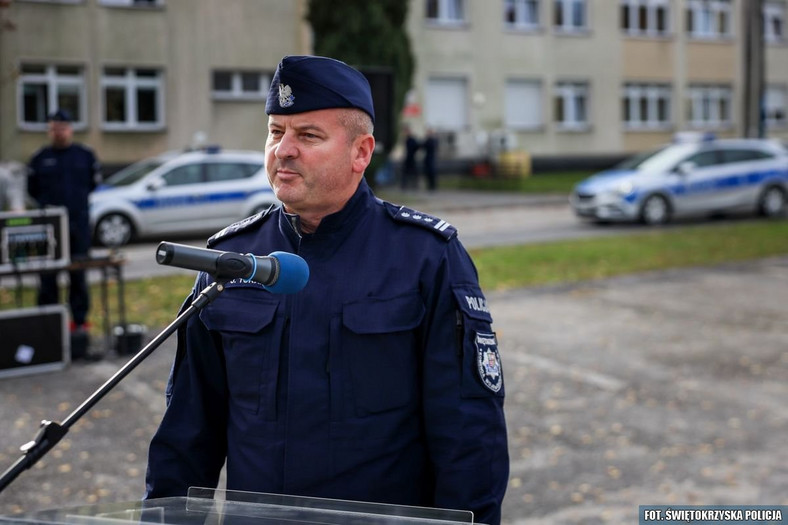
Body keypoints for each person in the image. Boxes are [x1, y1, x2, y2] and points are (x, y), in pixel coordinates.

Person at [144, 56, 509, 524]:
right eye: (276, 132)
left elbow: (468, 437)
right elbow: (187, 431)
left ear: (361, 152)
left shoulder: (425, 257)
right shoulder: (231, 261)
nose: (283, 150)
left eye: (308, 135)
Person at [28, 109, 101, 339]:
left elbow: (92, 184)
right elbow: (32, 190)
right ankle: (47, 325)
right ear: (49, 130)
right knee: (47, 278)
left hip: (78, 227)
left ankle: (79, 324)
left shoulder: (84, 155)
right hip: (48, 229)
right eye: (54, 128)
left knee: (78, 277)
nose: (59, 132)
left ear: (70, 129)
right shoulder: (40, 158)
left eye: (63, 128)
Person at [400, 124, 420, 190]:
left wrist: (413, 153)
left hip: (411, 158)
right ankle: (405, 186)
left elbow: (416, 146)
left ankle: (414, 185)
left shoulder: (411, 139)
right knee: (405, 172)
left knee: (413, 172)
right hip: (408, 158)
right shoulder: (407, 139)